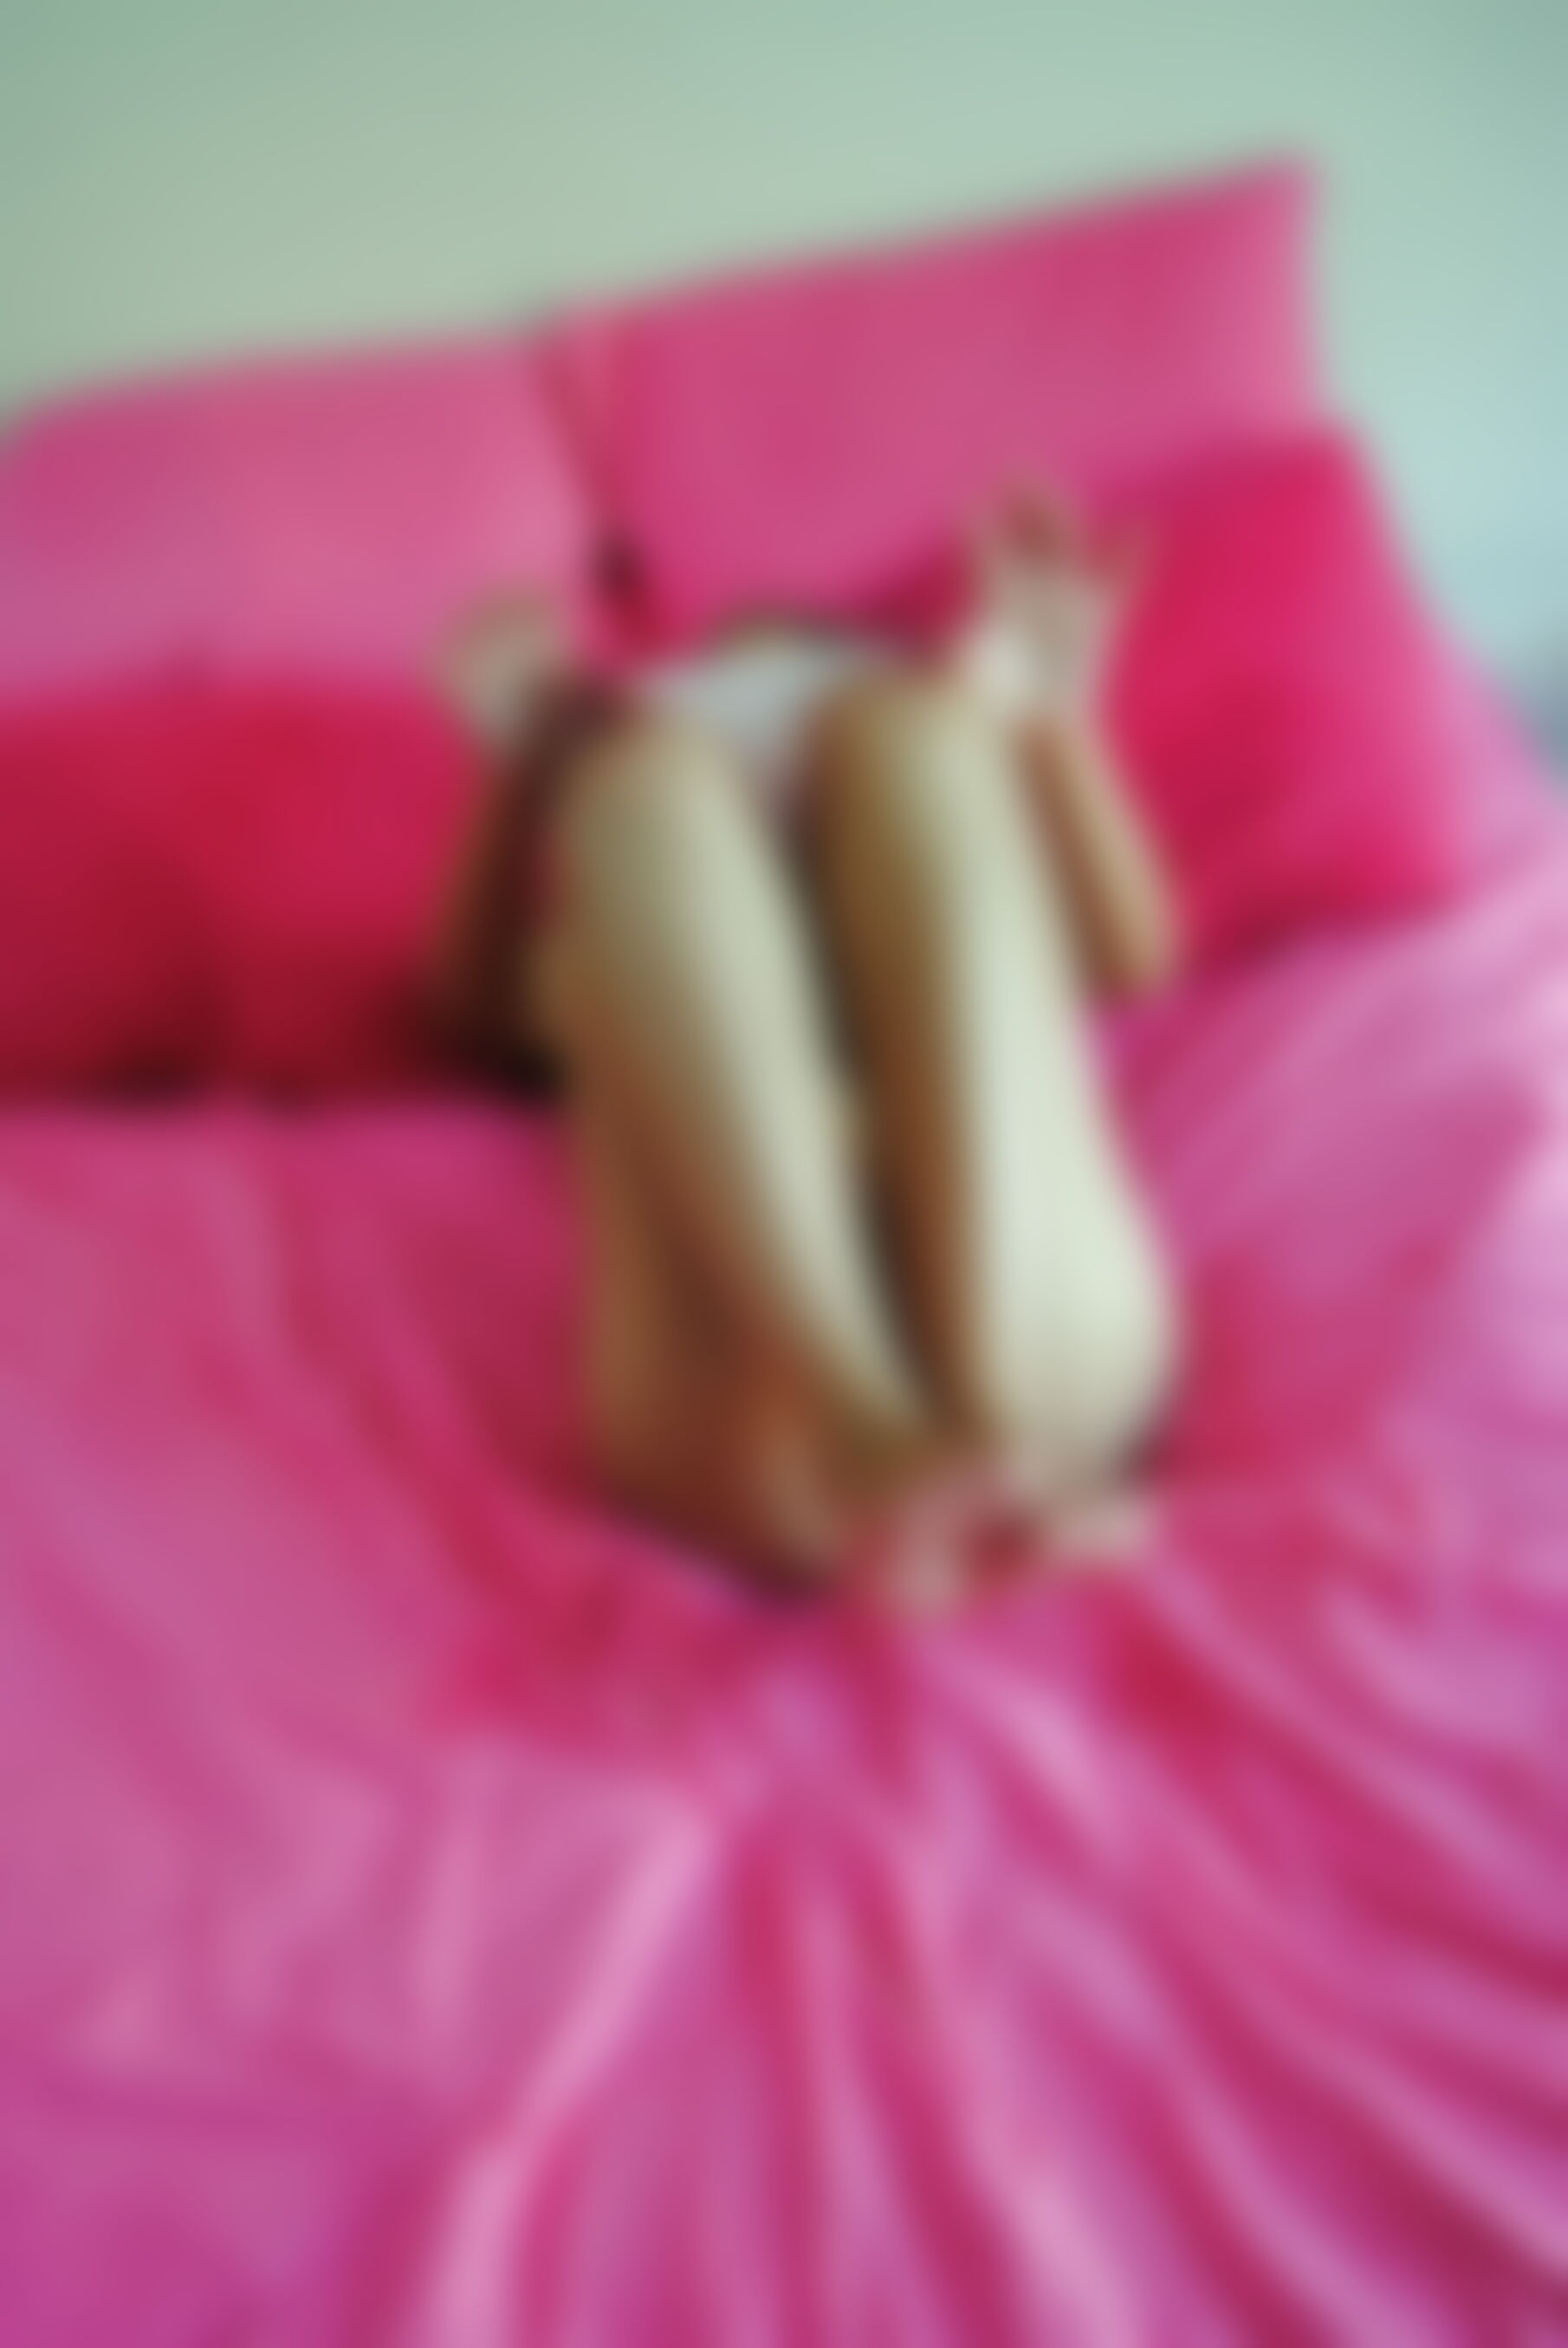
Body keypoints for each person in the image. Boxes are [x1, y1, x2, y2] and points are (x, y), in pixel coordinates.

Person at [429, 490, 1182, 1601]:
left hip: (1041, 1340)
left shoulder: (931, 761)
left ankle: (957, 1452)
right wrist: (526, 778)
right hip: (753, 1422)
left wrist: (1054, 720)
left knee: (907, 737)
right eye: (720, 685)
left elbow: (1135, 956)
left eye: (802, 673)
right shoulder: (630, 852)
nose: (766, 705)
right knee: (639, 790)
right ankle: (883, 1438)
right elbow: (474, 1018)